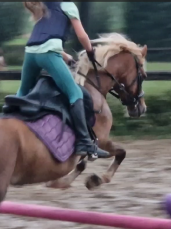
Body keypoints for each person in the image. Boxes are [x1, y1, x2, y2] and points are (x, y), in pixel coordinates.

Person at [16, 1, 109, 159]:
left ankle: (6, 117)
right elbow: (82, 35)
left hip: (30, 53)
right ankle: (84, 143)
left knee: (23, 91)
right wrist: (90, 51)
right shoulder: (68, 5)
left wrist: (65, 56)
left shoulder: (45, 4)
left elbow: (44, 35)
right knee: (75, 94)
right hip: (48, 53)